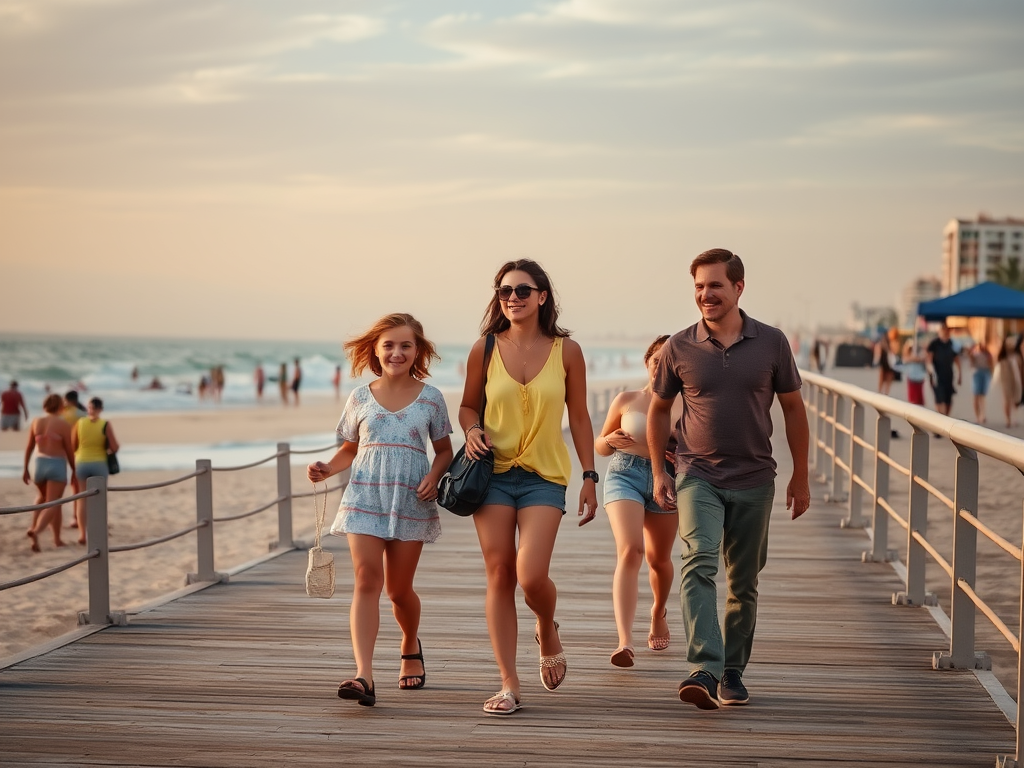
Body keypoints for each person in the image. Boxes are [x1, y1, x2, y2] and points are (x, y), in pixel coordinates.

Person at [648, 248, 810, 710]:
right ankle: (704, 666)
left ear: (738, 288)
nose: (705, 294)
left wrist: (802, 475)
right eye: (699, 286)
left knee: (744, 579)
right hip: (696, 472)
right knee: (697, 562)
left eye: (715, 285)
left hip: (756, 477)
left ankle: (732, 671)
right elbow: (659, 409)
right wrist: (660, 469)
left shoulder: (772, 342)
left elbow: (794, 409)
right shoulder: (679, 346)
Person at [459, 259, 598, 715]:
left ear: (542, 296)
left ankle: (546, 625)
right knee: (500, 573)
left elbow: (578, 416)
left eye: (522, 290)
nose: (512, 298)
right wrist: (471, 430)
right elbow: (466, 407)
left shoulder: (567, 351)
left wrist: (590, 475)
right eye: (504, 291)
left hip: (544, 476)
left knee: (531, 575)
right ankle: (508, 683)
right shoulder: (483, 348)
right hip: (491, 475)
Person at [306, 313, 453, 708]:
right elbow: (350, 449)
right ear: (375, 349)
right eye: (388, 344)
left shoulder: (431, 398)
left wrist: (435, 477)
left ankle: (409, 644)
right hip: (364, 498)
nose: (397, 352)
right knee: (366, 581)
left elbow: (443, 452)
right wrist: (327, 468)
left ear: (417, 351)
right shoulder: (358, 397)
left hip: (411, 500)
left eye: (406, 345)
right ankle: (364, 676)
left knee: (398, 590)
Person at [595, 335, 678, 668]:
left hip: (667, 479)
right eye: (655, 359)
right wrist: (608, 439)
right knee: (631, 550)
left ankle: (658, 611)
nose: (660, 365)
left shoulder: (688, 402)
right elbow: (600, 446)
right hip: (624, 473)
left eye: (668, 360)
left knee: (659, 560)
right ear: (647, 361)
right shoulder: (626, 399)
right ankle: (625, 641)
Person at [23, 394, 76, 552]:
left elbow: (29, 447)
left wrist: (25, 469)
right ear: (60, 406)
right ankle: (36, 531)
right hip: (56, 464)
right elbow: (69, 450)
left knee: (43, 499)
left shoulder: (36, 422)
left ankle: (56, 539)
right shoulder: (63, 424)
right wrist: (74, 470)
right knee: (53, 502)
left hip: (38, 464)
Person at [72, 397, 119, 544]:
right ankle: (100, 530)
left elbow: (73, 445)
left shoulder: (79, 423)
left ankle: (82, 534)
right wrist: (105, 449)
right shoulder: (105, 424)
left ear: (88, 408)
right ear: (101, 409)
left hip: (82, 462)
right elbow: (115, 447)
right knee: (99, 499)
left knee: (81, 499)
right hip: (99, 463)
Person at [926, 322, 962, 418]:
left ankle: (945, 417)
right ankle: (941, 418)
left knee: (948, 399)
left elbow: (957, 360)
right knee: (939, 398)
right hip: (937, 375)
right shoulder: (934, 344)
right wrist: (932, 373)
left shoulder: (952, 344)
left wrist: (959, 374)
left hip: (948, 375)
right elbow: (929, 359)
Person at [995, 335, 1023, 428]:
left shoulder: (1017, 356)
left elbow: (1020, 369)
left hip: (1016, 381)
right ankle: (1008, 419)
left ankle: (1014, 418)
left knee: (1015, 399)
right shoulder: (1002, 357)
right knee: (1007, 400)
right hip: (1006, 381)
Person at [968, 339, 995, 425]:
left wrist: (992, 374)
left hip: (985, 372)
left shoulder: (987, 354)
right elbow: (971, 362)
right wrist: (970, 354)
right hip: (977, 373)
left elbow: (991, 364)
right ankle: (977, 416)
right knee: (976, 395)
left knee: (982, 395)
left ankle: (982, 415)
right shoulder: (974, 353)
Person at [901, 340, 928, 407]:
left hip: (919, 378)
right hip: (911, 377)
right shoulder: (908, 357)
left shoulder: (921, 354)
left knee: (919, 398)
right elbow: (905, 360)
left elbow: (924, 359)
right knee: (913, 399)